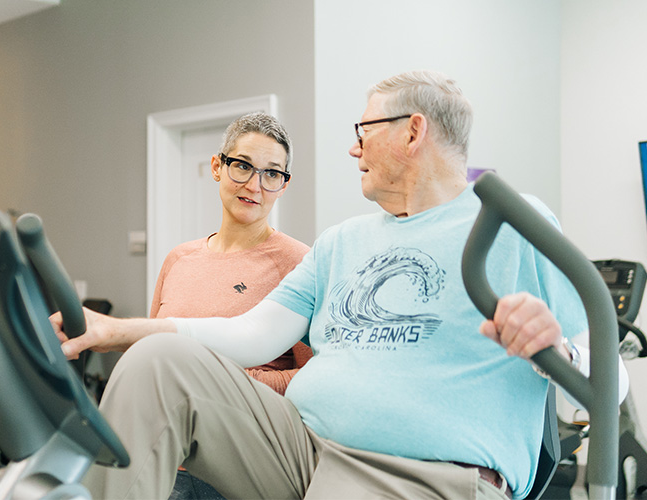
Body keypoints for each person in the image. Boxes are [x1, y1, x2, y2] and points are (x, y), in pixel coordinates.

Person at [53, 70, 628, 500]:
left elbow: (610, 385)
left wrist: (558, 353)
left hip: (421, 475)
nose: (353, 148)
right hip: (302, 450)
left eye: (364, 130)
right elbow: (251, 334)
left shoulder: (514, 222)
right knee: (160, 363)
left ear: (413, 131)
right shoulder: (342, 240)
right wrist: (119, 330)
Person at [153, 112, 312, 499]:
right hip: (168, 464)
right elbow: (154, 352)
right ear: (217, 167)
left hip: (242, 471)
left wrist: (235, 383)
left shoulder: (298, 263)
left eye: (272, 174)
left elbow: (319, 377)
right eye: (242, 166)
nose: (255, 185)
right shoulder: (178, 259)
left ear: (283, 185)